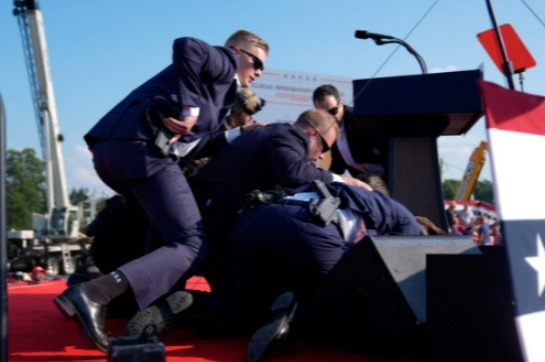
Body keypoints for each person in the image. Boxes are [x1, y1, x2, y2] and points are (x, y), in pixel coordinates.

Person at [53, 29, 270, 353]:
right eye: (257, 63)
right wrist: (190, 107)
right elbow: (187, 46)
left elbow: (188, 145)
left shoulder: (221, 91)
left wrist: (237, 134)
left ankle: (144, 305)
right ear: (238, 52)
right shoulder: (224, 61)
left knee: (165, 230)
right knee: (193, 243)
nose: (259, 72)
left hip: (114, 151)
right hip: (141, 151)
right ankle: (94, 294)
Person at [122, 180, 423, 361]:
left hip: (258, 219)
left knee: (244, 309)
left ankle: (180, 309)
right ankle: (289, 324)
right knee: (338, 307)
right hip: (310, 228)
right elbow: (397, 272)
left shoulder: (346, 192)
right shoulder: (404, 216)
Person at [189, 108, 371, 294]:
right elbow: (293, 172)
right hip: (211, 213)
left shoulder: (271, 134)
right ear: (313, 134)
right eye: (324, 147)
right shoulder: (290, 135)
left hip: (212, 213)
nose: (322, 156)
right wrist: (344, 180)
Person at [182, 89, 266, 178]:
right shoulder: (216, 130)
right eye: (249, 112)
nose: (252, 116)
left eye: (254, 113)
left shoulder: (245, 136)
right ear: (237, 109)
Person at [312, 84, 389, 180]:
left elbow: (388, 148)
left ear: (341, 103)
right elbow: (338, 164)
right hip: (361, 181)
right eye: (323, 114)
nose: (329, 117)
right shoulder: (328, 129)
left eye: (333, 111)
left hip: (385, 177)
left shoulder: (360, 119)